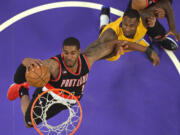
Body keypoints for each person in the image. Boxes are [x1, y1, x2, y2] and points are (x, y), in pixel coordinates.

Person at [7, 36, 159, 127]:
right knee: (29, 123)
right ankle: (22, 91)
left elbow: (117, 43)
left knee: (109, 49)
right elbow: (18, 77)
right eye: (65, 52)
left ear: (79, 52)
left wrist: (147, 50)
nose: (69, 56)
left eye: (73, 53)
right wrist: (24, 63)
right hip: (51, 95)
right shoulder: (52, 66)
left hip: (72, 99)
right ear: (62, 51)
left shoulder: (89, 58)